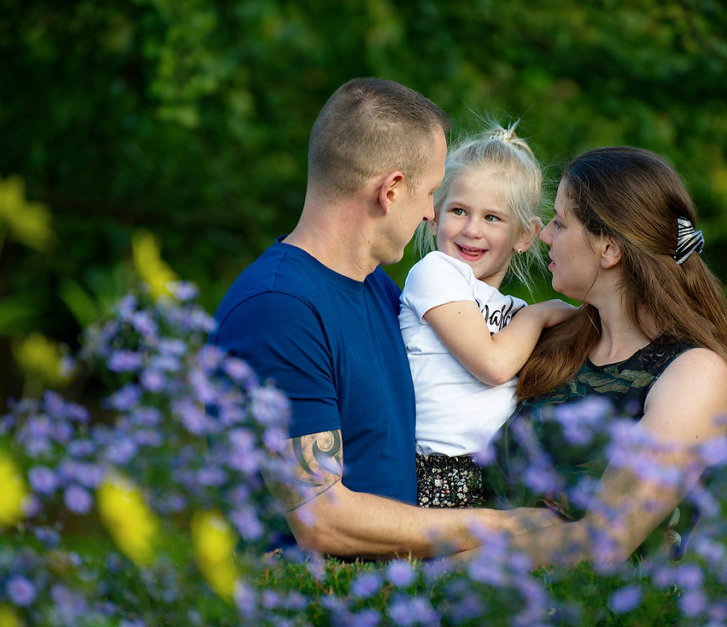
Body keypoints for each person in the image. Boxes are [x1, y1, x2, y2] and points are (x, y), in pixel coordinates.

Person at [211, 78, 557, 560]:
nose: (429, 215)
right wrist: (503, 527)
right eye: (433, 193)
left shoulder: (375, 287)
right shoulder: (279, 309)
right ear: (392, 191)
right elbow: (321, 518)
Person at [486, 146, 727, 564]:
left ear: (609, 250)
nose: (545, 235)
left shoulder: (693, 373)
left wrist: (433, 573)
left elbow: (605, 541)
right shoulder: (557, 341)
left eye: (561, 223)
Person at [398, 124, 577, 508]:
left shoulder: (512, 310)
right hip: (440, 472)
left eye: (492, 218)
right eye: (459, 211)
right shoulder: (434, 273)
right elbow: (493, 364)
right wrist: (540, 314)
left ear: (525, 235)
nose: (471, 229)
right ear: (434, 215)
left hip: (500, 472)